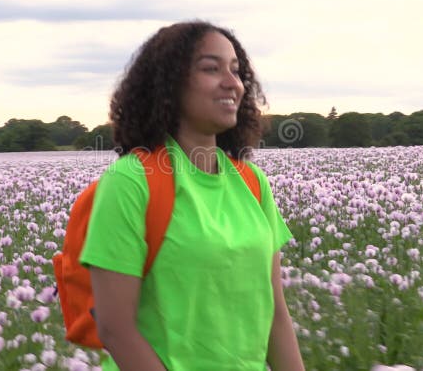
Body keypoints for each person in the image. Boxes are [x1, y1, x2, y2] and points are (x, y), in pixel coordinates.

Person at [79, 21, 305, 370]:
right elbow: (116, 329)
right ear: (170, 84)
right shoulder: (131, 182)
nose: (233, 83)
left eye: (236, 70)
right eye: (211, 69)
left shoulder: (252, 182)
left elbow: (275, 312)